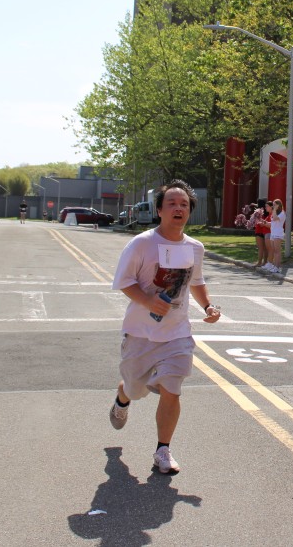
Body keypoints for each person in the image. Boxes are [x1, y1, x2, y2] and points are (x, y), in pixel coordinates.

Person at [108, 179, 221, 474]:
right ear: (159, 210)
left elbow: (196, 281)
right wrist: (148, 301)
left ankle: (163, 450)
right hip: (141, 333)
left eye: (184, 204)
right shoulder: (142, 243)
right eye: (171, 203)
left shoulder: (195, 247)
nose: (178, 208)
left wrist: (208, 306)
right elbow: (124, 281)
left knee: (173, 387)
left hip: (177, 333)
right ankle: (123, 396)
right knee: (135, 389)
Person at [266, 199, 285, 274]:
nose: (273, 206)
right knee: (274, 251)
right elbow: (273, 222)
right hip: (273, 233)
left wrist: (274, 210)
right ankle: (274, 266)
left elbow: (275, 218)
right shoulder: (275, 213)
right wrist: (265, 222)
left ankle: (277, 267)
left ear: (278, 205)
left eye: (274, 205)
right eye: (273, 205)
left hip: (278, 234)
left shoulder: (282, 213)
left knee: (277, 251)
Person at [251, 198, 270, 267]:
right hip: (266, 231)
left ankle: (259, 262)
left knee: (260, 248)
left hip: (259, 231)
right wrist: (254, 204)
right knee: (265, 249)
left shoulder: (257, 213)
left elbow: (255, 221)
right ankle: (265, 262)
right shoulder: (267, 212)